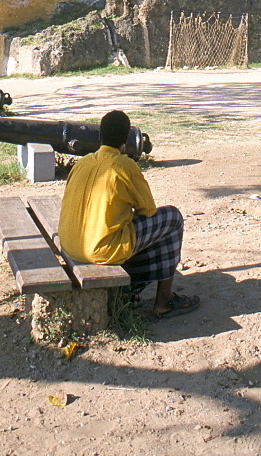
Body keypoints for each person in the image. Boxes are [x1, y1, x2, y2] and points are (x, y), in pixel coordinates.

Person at [58, 109, 200, 319]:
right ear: (125, 140)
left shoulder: (83, 162)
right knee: (172, 218)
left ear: (100, 136)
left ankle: (132, 285)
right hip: (101, 250)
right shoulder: (124, 165)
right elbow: (148, 210)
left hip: (71, 244)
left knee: (126, 226)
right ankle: (164, 301)